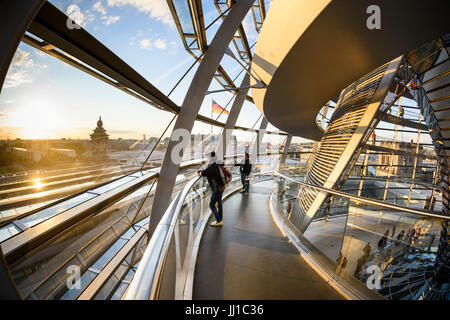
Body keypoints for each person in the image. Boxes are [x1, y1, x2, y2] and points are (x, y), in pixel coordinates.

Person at [198, 151, 225, 227]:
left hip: (216, 189)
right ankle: (220, 220)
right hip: (221, 186)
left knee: (211, 205)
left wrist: (199, 172)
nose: (207, 159)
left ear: (211, 158)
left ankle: (219, 220)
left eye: (208, 157)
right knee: (219, 203)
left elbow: (202, 173)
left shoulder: (212, 167)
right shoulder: (216, 164)